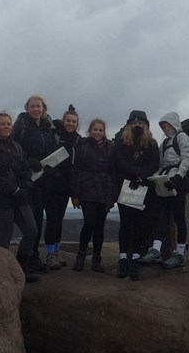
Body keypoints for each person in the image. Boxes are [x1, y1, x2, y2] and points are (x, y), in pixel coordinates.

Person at [0, 112, 38, 283]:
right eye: (3, 124)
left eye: (9, 124)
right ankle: (1, 274)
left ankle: (20, 268)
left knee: (31, 231)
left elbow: (25, 168)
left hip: (19, 197)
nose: (6, 127)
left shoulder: (16, 146)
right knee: (5, 237)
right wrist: (15, 190)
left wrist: (26, 187)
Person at [139, 112, 189, 269]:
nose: (165, 127)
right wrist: (155, 179)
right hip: (164, 182)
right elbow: (162, 165)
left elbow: (187, 158)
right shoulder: (164, 143)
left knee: (178, 218)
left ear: (174, 123)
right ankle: (155, 250)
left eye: (167, 124)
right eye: (163, 125)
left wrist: (178, 177)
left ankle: (180, 253)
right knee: (160, 216)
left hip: (177, 182)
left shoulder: (182, 138)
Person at [12, 94, 58, 274]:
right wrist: (29, 161)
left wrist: (50, 167)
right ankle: (26, 259)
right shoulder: (22, 126)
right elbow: (14, 147)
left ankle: (34, 256)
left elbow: (51, 150)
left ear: (43, 108)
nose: (36, 109)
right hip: (26, 178)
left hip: (43, 179)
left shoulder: (47, 128)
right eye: (32, 106)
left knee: (38, 218)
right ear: (27, 108)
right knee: (30, 221)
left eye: (38, 106)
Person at [112, 110, 159, 280]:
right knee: (125, 223)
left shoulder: (151, 143)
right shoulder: (120, 142)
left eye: (141, 123)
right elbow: (119, 161)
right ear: (129, 125)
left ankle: (136, 257)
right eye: (134, 123)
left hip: (144, 188)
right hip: (125, 186)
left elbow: (154, 163)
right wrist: (135, 174)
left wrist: (141, 176)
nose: (137, 125)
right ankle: (123, 257)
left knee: (141, 224)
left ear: (145, 125)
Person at [70, 119, 114, 272]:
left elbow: (114, 172)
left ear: (104, 132)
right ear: (90, 130)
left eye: (100, 130)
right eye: (95, 129)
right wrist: (74, 194)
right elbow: (75, 171)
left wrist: (113, 196)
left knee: (100, 226)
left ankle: (96, 259)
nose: (97, 132)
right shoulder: (82, 146)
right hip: (87, 188)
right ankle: (80, 256)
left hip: (104, 190)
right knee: (89, 222)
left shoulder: (110, 147)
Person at [51, 104, 82, 268]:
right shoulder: (53, 135)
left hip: (65, 184)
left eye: (74, 121)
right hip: (50, 182)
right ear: (63, 121)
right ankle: (50, 254)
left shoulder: (78, 140)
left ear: (77, 124)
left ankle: (56, 251)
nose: (70, 123)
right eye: (68, 120)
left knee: (58, 219)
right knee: (52, 219)